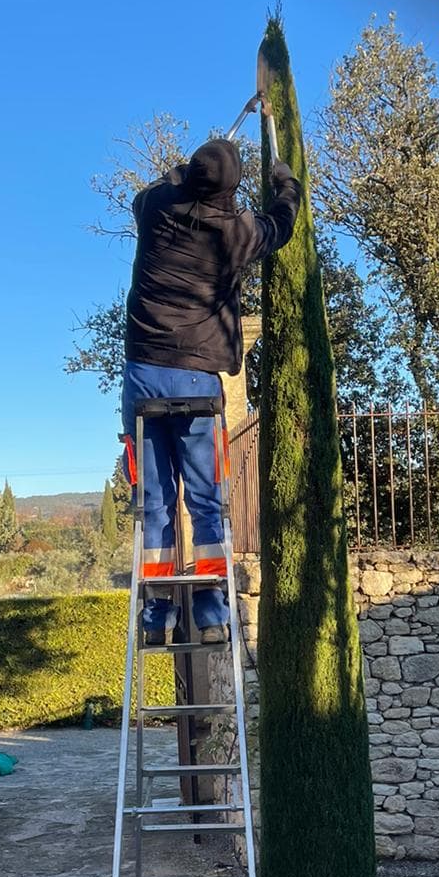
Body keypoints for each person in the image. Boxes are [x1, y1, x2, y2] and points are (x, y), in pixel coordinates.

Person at [122, 136, 301, 643]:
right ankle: (211, 612)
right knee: (207, 500)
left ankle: (157, 617)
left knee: (153, 499)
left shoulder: (156, 208)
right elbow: (281, 224)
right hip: (197, 377)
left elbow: (150, 191)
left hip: (144, 373)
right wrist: (285, 184)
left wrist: (181, 174)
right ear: (231, 187)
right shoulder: (237, 233)